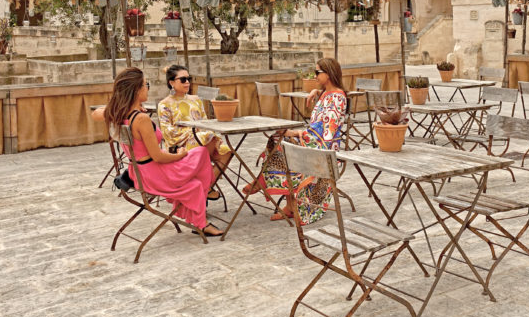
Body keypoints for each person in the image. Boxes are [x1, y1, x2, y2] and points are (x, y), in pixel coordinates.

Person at [91, 67, 222, 237]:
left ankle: (198, 210)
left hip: (139, 172)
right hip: (154, 175)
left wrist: (123, 107)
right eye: (146, 84)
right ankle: (201, 219)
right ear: (136, 90)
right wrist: (180, 155)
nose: (148, 88)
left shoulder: (122, 114)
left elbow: (95, 114)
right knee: (199, 164)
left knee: (200, 153)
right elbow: (158, 156)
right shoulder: (141, 119)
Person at [245, 57, 348, 224]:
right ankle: (287, 203)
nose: (314, 76)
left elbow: (326, 133)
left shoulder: (338, 97)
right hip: (313, 140)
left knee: (283, 145)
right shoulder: (325, 94)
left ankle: (267, 185)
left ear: (328, 74)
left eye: (317, 72)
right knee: (278, 139)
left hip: (324, 147)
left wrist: (296, 133)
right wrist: (316, 92)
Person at [157, 64, 232, 201]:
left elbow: (205, 122)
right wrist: (195, 133)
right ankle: (203, 188)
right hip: (179, 145)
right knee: (207, 137)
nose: (187, 82)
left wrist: (203, 132)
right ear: (171, 82)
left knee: (227, 151)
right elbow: (168, 133)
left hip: (203, 140)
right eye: (183, 79)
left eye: (189, 78)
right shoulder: (164, 104)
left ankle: (205, 187)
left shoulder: (196, 100)